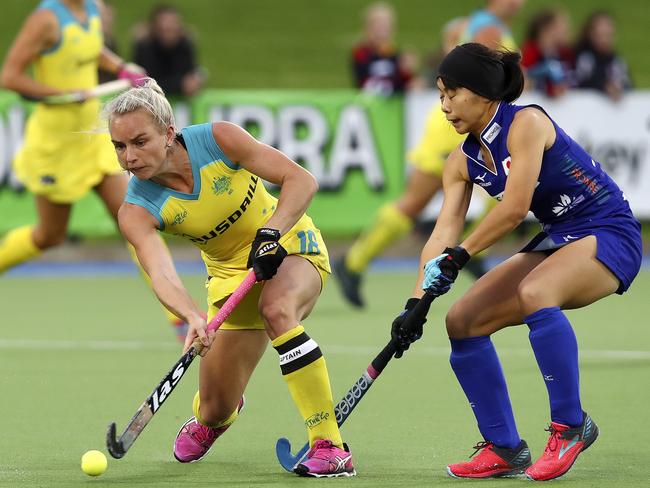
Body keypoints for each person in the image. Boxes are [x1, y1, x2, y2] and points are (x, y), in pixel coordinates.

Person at [390, 43, 641, 481]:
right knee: (463, 321)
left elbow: (514, 208)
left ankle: (570, 427)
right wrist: (416, 302)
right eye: (440, 96)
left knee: (536, 292)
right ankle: (504, 448)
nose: (445, 107)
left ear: (484, 93)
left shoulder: (526, 122)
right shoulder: (460, 161)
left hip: (609, 230)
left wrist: (462, 254)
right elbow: (443, 232)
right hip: (558, 238)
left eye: (452, 94)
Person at [104, 78, 355, 478]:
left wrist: (272, 231)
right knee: (214, 407)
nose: (129, 157)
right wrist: (191, 315)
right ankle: (219, 416)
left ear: (168, 134)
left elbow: (301, 180)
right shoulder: (136, 209)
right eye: (119, 147)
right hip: (230, 279)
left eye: (139, 142)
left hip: (288, 242)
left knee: (277, 310)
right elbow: (161, 272)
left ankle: (329, 444)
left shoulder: (218, 140)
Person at [0, 0, 188, 340]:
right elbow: (10, 77)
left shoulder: (92, 9)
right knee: (49, 235)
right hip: (56, 146)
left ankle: (179, 316)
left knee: (135, 220)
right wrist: (63, 94)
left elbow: (89, 50)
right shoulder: (45, 20)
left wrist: (121, 67)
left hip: (92, 139)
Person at [334, 2, 527, 308]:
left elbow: (451, 45)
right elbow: (495, 78)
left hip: (463, 119)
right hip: (454, 125)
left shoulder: (469, 23)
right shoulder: (489, 28)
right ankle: (353, 262)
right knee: (416, 200)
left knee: (504, 180)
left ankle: (474, 250)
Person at [133, 4, 204, 98]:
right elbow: (143, 82)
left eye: (171, 29)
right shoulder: (144, 47)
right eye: (164, 29)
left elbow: (191, 74)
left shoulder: (185, 45)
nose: (167, 35)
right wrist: (181, 84)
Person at [350, 2, 418, 95]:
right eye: (378, 25)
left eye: (385, 25)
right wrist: (401, 74)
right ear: (367, 28)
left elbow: (406, 85)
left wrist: (408, 74)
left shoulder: (396, 55)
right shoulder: (361, 54)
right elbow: (366, 86)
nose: (382, 30)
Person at [574, 11, 632, 101]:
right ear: (591, 34)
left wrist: (619, 87)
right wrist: (604, 86)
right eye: (600, 35)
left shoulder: (616, 60)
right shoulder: (583, 57)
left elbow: (629, 84)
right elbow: (581, 81)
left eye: (608, 35)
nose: (604, 40)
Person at [521, 9, 574, 98]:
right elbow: (522, 76)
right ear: (547, 29)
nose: (566, 29)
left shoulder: (564, 52)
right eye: (560, 25)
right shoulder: (531, 50)